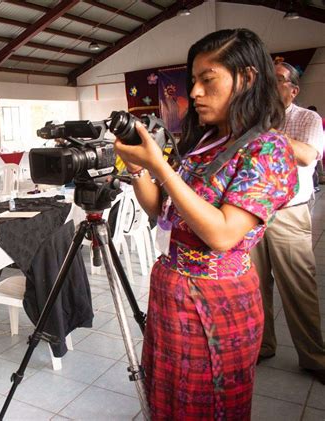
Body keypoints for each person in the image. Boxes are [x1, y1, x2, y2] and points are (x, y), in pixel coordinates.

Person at [114, 28, 298, 420]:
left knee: (209, 405)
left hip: (216, 300)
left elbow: (221, 234)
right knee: (170, 398)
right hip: (173, 291)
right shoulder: (206, 142)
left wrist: (160, 165)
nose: (194, 92)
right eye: (192, 81)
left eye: (207, 80)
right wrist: (138, 167)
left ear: (247, 78)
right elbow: (159, 210)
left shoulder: (267, 148)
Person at [251, 63, 325, 383]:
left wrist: (265, 131)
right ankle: (263, 345)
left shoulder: (306, 119)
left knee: (299, 288)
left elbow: (308, 156)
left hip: (289, 214)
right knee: (254, 286)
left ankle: (314, 358)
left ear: (293, 90)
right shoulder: (252, 118)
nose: (269, 84)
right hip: (252, 213)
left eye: (277, 80)